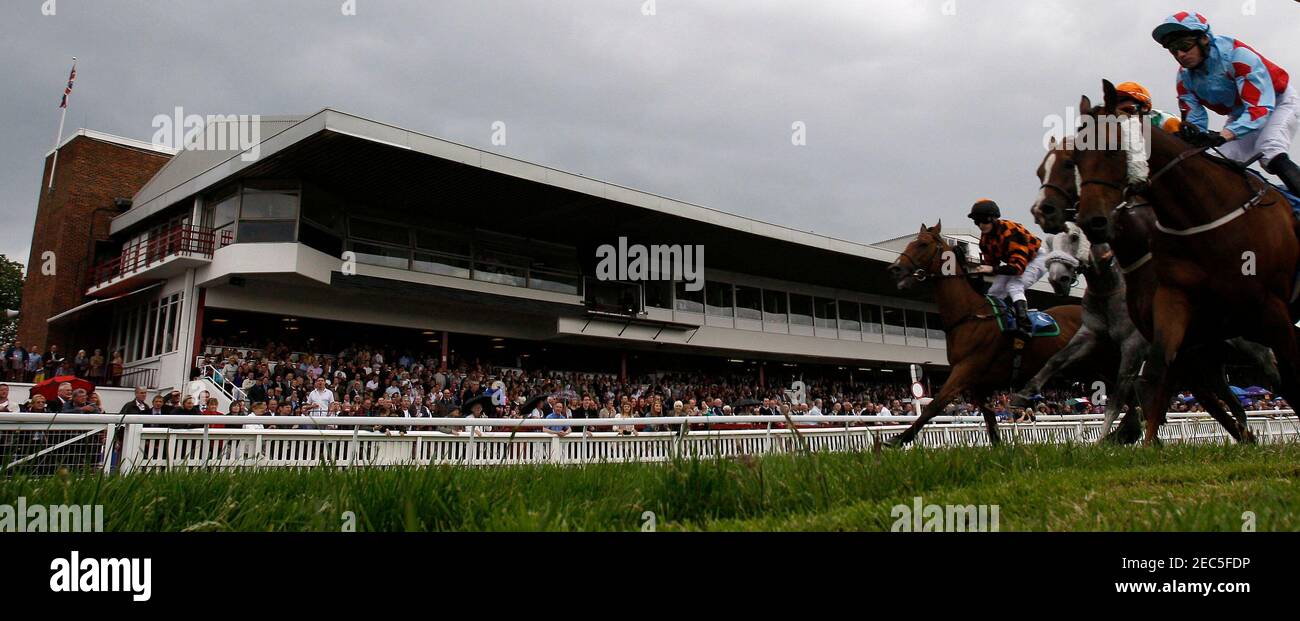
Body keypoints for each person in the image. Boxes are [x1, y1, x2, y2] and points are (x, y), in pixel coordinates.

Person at [1151, 12, 1300, 196]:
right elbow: (1195, 123)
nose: (1180, 54)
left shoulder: (1238, 56)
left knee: (1270, 150)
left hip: (1277, 103)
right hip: (1241, 114)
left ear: (1204, 39)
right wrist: (1196, 136)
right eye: (1174, 50)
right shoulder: (1184, 78)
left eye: (1185, 46)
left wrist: (1223, 136)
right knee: (1214, 162)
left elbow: (1259, 110)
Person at [969, 199, 1045, 341]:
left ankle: (1024, 326)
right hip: (1015, 263)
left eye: (983, 221)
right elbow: (992, 266)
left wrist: (991, 268)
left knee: (1014, 285)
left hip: (1036, 258)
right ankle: (999, 323)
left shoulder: (1011, 231)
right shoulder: (985, 240)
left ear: (994, 218)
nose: (980, 225)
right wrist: (981, 272)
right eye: (976, 222)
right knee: (994, 292)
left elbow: (1017, 268)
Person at [1114, 81, 1182, 133]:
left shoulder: (1166, 122)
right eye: (1118, 112)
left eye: (1127, 110)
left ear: (1144, 108)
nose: (1122, 115)